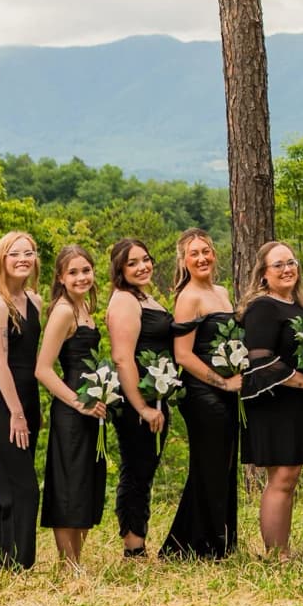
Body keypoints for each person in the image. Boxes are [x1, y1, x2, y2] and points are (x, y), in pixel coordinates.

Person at [239, 241, 303, 557]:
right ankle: (277, 554)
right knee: (281, 478)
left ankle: (283, 548)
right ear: (263, 274)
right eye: (278, 265)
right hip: (274, 402)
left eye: (291, 262)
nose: (287, 269)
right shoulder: (263, 307)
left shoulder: (299, 307)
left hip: (298, 404)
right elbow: (260, 360)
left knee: (289, 478)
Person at [162, 228, 241, 559]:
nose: (202, 258)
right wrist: (222, 383)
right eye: (194, 253)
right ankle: (201, 545)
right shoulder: (189, 297)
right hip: (202, 394)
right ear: (184, 261)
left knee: (222, 466)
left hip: (227, 392)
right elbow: (183, 355)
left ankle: (212, 539)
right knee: (209, 466)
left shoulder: (222, 292)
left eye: (206, 251)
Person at [34, 244, 109, 567]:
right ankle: (69, 565)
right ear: (61, 278)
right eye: (74, 272)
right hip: (72, 411)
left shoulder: (85, 309)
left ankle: (77, 560)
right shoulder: (64, 311)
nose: (82, 277)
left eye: (86, 270)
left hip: (93, 409)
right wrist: (79, 403)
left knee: (86, 481)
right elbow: (43, 369)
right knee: (69, 483)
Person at [0, 231, 43, 570]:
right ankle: (19, 564)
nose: (22, 259)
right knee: (23, 488)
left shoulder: (34, 301)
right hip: (3, 405)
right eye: (14, 253)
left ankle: (5, 561)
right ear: (1, 259)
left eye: (28, 253)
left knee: (10, 485)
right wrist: (16, 413)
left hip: (30, 401)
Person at [105, 238, 174, 558]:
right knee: (135, 471)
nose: (142, 266)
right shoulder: (124, 301)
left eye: (145, 259)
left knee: (145, 469)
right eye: (132, 263)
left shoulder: (145, 297)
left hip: (156, 396)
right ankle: (133, 547)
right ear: (120, 269)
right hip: (135, 400)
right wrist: (142, 407)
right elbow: (122, 358)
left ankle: (139, 540)